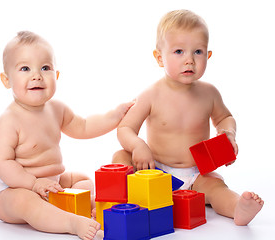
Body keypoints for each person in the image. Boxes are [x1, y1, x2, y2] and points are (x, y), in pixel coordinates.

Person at [112, 10, 263, 226]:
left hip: (197, 174)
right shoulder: (150, 95)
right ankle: (121, 202)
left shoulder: (209, 93)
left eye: (198, 52)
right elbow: (125, 128)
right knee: (120, 156)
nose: (189, 60)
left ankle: (237, 207)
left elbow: (225, 117)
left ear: (208, 56)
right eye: (179, 51)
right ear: (159, 58)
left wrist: (227, 133)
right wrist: (138, 146)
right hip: (156, 172)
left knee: (216, 188)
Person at [0, 31, 133, 240]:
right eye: (25, 68)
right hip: (12, 189)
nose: (37, 75)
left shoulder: (56, 109)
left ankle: (89, 206)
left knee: (82, 180)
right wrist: (33, 184)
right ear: (6, 80)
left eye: (45, 68)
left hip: (51, 183)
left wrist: (115, 116)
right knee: (26, 202)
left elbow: (83, 126)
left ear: (56, 75)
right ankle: (71, 223)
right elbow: (1, 163)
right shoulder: (9, 120)